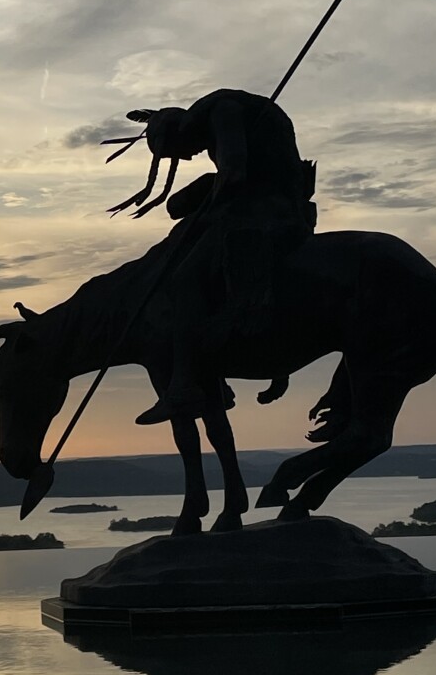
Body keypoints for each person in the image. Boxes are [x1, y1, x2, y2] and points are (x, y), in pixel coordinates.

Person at [109, 89, 315, 425]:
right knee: (178, 206)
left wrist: (205, 218)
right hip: (271, 198)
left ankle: (186, 384)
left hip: (266, 208)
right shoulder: (227, 112)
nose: (189, 158)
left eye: (181, 152)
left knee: (185, 280)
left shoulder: (223, 111)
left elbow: (233, 175)